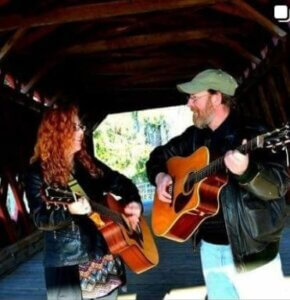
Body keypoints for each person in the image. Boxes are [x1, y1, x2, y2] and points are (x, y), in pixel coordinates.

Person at [146, 69, 290, 299]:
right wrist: (160, 177)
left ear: (217, 97)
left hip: (253, 254)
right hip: (210, 251)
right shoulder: (194, 137)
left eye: (195, 97)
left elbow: (278, 184)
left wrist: (247, 171)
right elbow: (157, 158)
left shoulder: (255, 133)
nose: (188, 104)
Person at [24, 105, 143, 300]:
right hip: (66, 262)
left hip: (102, 253)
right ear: (58, 132)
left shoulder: (87, 164)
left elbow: (123, 183)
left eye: (81, 127)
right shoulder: (37, 174)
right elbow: (40, 218)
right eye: (75, 127)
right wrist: (69, 210)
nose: (82, 131)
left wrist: (134, 203)